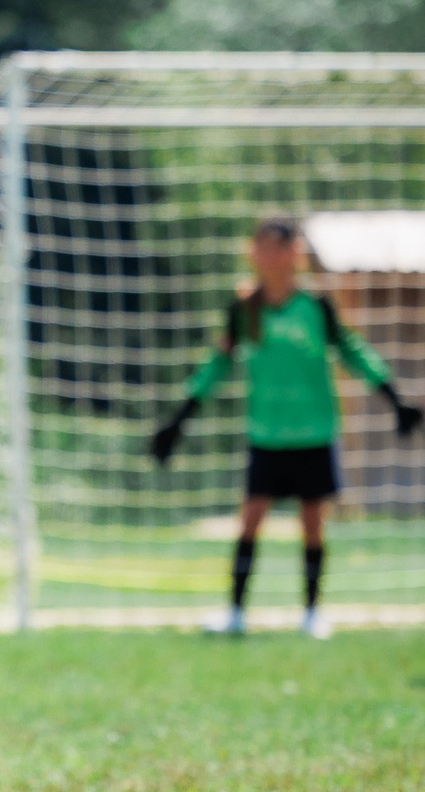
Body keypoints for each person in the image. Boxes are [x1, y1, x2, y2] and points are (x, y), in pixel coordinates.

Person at [151, 216, 421, 638]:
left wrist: (393, 398)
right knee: (251, 519)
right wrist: (178, 421)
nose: (267, 256)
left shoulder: (316, 307)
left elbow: (353, 351)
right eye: (260, 247)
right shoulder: (245, 309)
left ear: (294, 254)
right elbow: (217, 364)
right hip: (267, 435)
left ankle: (313, 613)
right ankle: (236, 612)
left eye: (276, 247)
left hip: (314, 433)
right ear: (252, 253)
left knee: (313, 523)